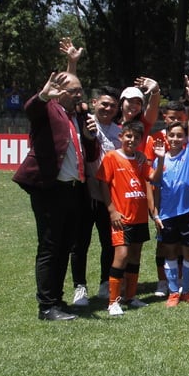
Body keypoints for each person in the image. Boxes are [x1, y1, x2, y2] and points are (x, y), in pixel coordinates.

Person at [14, 71, 97, 321]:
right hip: (50, 189)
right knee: (50, 246)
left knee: (64, 246)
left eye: (80, 90)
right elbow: (31, 109)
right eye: (74, 91)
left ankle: (57, 300)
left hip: (72, 189)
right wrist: (42, 96)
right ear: (60, 93)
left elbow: (89, 154)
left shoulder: (76, 117)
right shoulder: (49, 110)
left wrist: (90, 136)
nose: (79, 95)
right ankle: (46, 306)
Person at [97, 121, 166, 316]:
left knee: (135, 256)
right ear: (121, 137)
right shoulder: (112, 157)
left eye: (136, 137)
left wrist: (160, 160)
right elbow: (103, 185)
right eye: (128, 136)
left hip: (139, 217)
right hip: (122, 218)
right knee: (122, 255)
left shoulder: (142, 158)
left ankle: (131, 296)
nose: (132, 140)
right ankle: (113, 302)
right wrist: (112, 211)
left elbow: (153, 178)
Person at [150, 82, 189, 307]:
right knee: (170, 250)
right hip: (167, 213)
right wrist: (155, 214)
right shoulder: (158, 158)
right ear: (166, 137)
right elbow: (153, 182)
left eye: (179, 136)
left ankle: (187, 292)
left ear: (184, 138)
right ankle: (173, 291)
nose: (175, 139)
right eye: (171, 135)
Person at [82, 87, 121, 302]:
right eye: (104, 104)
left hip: (109, 197)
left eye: (112, 106)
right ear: (95, 102)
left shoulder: (119, 132)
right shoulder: (84, 123)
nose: (107, 108)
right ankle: (81, 287)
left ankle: (105, 283)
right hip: (84, 193)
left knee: (109, 242)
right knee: (81, 243)